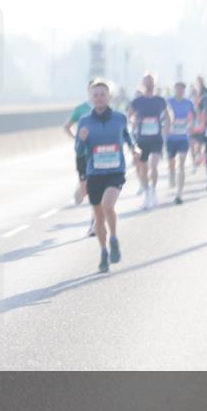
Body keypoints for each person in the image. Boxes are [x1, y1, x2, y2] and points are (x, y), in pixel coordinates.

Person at [76, 78, 138, 273]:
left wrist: (135, 147)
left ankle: (114, 238)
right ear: (90, 98)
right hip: (95, 173)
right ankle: (104, 252)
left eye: (103, 94)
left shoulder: (119, 118)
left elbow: (127, 136)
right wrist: (82, 141)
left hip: (115, 171)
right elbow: (79, 150)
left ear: (109, 97)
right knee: (98, 217)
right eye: (96, 95)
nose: (99, 98)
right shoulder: (85, 121)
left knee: (108, 205)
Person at [127, 72, 168, 209]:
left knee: (154, 165)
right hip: (141, 139)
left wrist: (166, 127)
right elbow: (130, 115)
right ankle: (147, 193)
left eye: (151, 81)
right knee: (142, 168)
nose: (149, 84)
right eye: (147, 81)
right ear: (143, 84)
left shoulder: (160, 100)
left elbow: (168, 116)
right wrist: (134, 121)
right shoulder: (137, 101)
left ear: (154, 84)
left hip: (156, 138)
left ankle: (153, 191)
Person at [63, 88, 95, 235]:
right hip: (82, 153)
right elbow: (67, 126)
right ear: (89, 91)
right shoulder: (81, 109)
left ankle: (94, 222)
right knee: (85, 188)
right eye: (94, 92)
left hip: (97, 154)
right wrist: (76, 138)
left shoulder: (106, 110)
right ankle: (81, 187)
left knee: (96, 188)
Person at [165, 81, 194, 204]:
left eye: (182, 89)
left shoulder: (188, 103)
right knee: (172, 163)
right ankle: (171, 174)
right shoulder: (169, 102)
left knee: (181, 163)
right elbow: (164, 116)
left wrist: (191, 125)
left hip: (183, 137)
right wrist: (167, 125)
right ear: (174, 89)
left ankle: (179, 193)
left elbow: (194, 116)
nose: (180, 91)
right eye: (178, 89)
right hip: (171, 138)